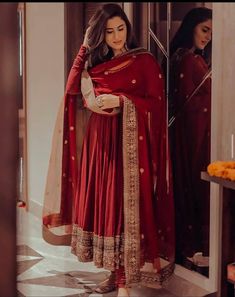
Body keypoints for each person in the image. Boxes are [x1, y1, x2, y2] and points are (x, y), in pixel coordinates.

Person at [42, 3, 175, 296]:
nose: (116, 37)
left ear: (128, 28)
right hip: (100, 144)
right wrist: (85, 47)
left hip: (130, 146)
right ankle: (116, 275)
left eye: (121, 29)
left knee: (124, 208)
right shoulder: (96, 64)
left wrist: (122, 100)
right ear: (101, 35)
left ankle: (125, 282)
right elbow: (72, 89)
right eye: (109, 31)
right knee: (107, 207)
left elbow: (156, 103)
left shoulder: (144, 61)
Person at [168, 7, 212, 272]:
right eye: (204, 29)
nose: (207, 37)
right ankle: (192, 248)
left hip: (186, 134)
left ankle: (190, 247)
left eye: (211, 33)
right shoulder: (190, 61)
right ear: (191, 27)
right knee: (194, 187)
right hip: (193, 136)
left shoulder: (180, 57)